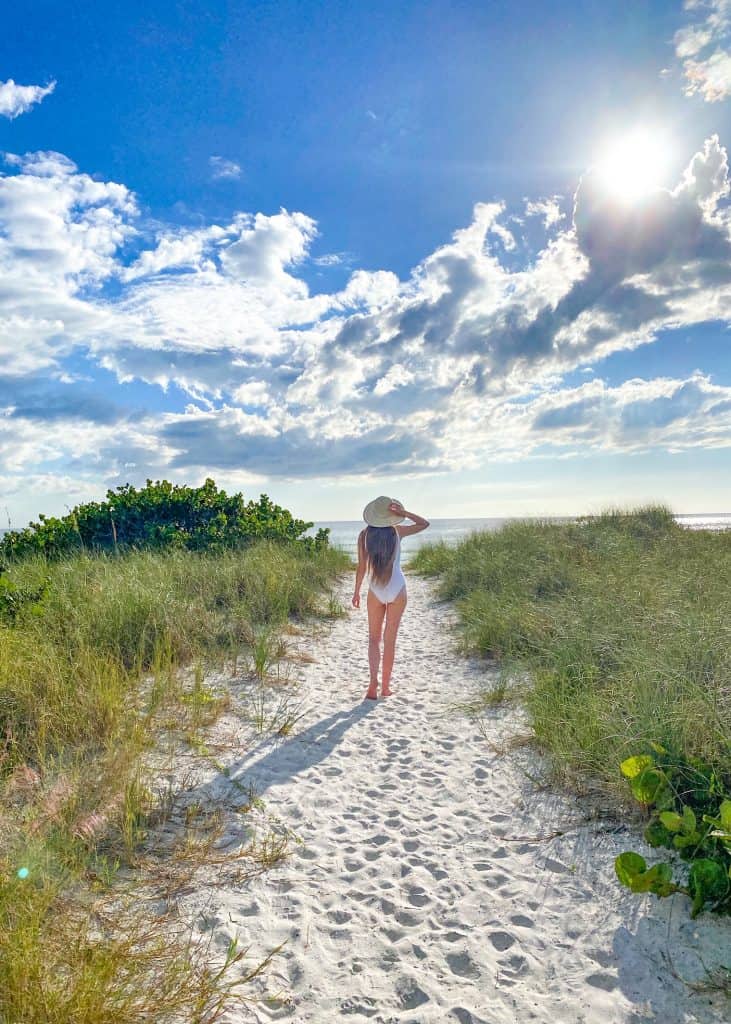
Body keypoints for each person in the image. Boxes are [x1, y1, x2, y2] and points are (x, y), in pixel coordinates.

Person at [352, 496, 430, 700]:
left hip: (375, 590)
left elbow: (361, 568)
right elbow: (424, 524)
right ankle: (385, 687)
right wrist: (404, 514)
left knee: (373, 639)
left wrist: (356, 592)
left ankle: (372, 685)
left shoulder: (364, 535)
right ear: (390, 515)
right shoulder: (398, 532)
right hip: (397, 588)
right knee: (390, 640)